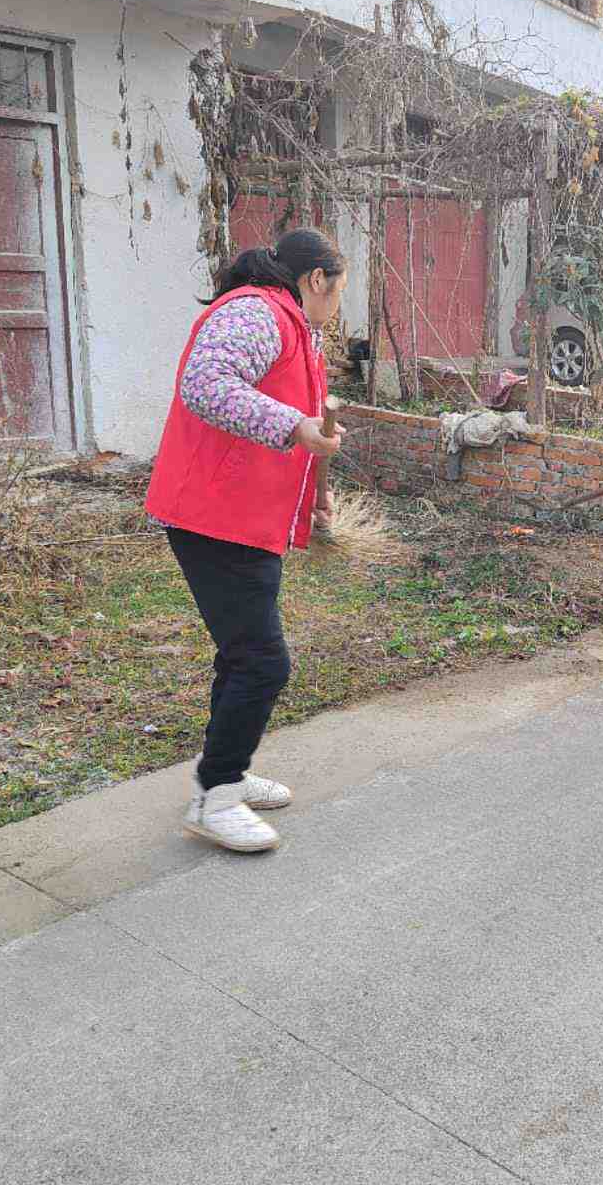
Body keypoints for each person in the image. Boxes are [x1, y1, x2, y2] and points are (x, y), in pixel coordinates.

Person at [145, 228, 347, 852]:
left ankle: (224, 772)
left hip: (243, 516)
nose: (338, 304)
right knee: (262, 661)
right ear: (317, 279)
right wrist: (296, 426)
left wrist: (313, 494)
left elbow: (292, 425)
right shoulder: (259, 313)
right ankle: (217, 795)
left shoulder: (293, 326)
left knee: (242, 655)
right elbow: (206, 385)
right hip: (214, 516)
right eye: (339, 290)